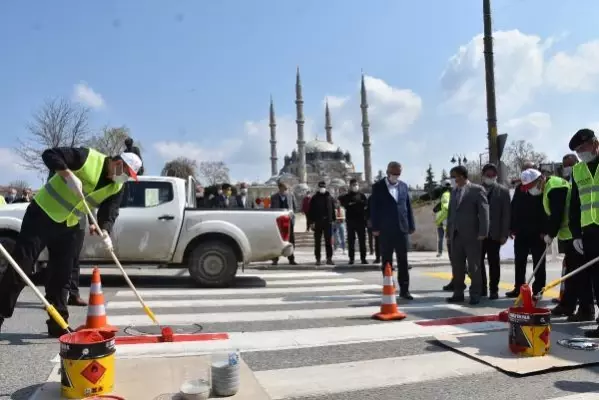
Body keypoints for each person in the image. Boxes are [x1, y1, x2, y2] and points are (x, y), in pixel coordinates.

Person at [0, 147, 141, 337]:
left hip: (70, 224)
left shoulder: (117, 186)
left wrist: (104, 229)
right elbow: (50, 154)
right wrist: (67, 174)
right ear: (117, 163)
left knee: (62, 275)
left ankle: (58, 324)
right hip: (42, 214)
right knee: (21, 267)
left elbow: (110, 209)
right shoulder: (87, 158)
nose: (126, 178)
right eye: (126, 173)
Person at [520, 168, 590, 321]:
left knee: (579, 274)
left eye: (531, 186)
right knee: (570, 274)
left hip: (576, 235)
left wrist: (550, 234)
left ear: (540, 180)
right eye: (527, 188)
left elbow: (557, 213)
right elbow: (550, 215)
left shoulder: (555, 187)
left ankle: (586, 309)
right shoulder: (548, 189)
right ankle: (568, 305)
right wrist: (547, 232)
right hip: (569, 235)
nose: (530, 191)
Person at [568, 129, 599, 337]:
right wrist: (576, 234)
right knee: (597, 279)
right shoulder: (578, 170)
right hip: (590, 231)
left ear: (595, 143)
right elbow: (574, 204)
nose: (581, 153)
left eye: (583, 148)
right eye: (578, 151)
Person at [370, 162, 415, 300]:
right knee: (387, 260)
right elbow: (374, 208)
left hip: (402, 229)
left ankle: (405, 289)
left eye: (398, 173)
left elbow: (407, 207)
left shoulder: (403, 186)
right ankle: (388, 285)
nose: (396, 176)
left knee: (403, 261)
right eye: (394, 173)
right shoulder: (378, 187)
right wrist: (375, 227)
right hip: (385, 229)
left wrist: (411, 225)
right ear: (388, 171)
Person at [445, 165, 489, 305]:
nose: (453, 180)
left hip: (473, 235)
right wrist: (448, 231)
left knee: (473, 266)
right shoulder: (453, 191)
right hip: (456, 235)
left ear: (462, 176)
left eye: (454, 176)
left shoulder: (477, 190)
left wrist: (483, 231)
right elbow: (451, 213)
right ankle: (458, 292)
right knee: (457, 266)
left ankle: (475, 293)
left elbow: (484, 212)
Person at [506, 161, 548, 298]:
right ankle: (519, 288)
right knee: (519, 262)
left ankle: (538, 290)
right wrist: (511, 227)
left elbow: (546, 210)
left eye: (530, 169)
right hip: (521, 231)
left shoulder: (542, 187)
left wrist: (545, 230)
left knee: (539, 263)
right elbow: (514, 208)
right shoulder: (519, 189)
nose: (527, 172)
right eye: (524, 169)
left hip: (538, 232)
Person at [479, 163, 511, 300]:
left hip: (495, 234)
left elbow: (506, 214)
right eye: (488, 175)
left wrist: (504, 234)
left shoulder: (503, 191)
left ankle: (494, 290)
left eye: (493, 175)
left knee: (494, 263)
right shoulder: (476, 190)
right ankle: (481, 288)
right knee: (478, 263)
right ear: (483, 175)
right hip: (479, 234)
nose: (490, 177)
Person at [338, 179, 368, 264]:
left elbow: (366, 206)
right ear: (350, 186)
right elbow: (342, 202)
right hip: (350, 221)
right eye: (353, 185)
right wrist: (352, 204)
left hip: (361, 221)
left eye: (356, 184)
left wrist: (353, 204)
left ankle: (363, 258)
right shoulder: (347, 196)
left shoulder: (362, 195)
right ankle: (351, 258)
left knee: (362, 240)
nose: (355, 186)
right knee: (351, 241)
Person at [270, 181, 298, 265]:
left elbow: (294, 207)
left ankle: (291, 258)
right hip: (278, 222)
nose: (286, 190)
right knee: (277, 239)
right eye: (284, 188)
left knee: (291, 240)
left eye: (287, 189)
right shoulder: (274, 197)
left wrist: (292, 214)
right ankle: (275, 259)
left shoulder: (290, 196)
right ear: (280, 188)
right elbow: (272, 209)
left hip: (289, 221)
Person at [308, 181, 336, 266]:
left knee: (328, 242)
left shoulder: (329, 197)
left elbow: (333, 210)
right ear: (318, 187)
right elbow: (311, 211)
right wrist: (311, 222)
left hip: (328, 222)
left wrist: (333, 220)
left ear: (325, 187)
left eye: (323, 186)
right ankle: (318, 259)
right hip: (318, 222)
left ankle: (329, 258)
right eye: (321, 187)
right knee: (317, 242)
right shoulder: (315, 198)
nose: (322, 188)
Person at [435, 180, 451, 258]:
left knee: (443, 237)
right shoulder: (450, 194)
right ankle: (445, 252)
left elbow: (445, 207)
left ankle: (441, 252)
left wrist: (439, 219)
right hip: (445, 219)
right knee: (447, 237)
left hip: (442, 219)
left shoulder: (444, 194)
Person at [366, 194, 380, 263]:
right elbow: (368, 209)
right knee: (375, 239)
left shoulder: (385, 195)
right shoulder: (371, 198)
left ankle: (383, 257)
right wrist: (368, 220)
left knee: (382, 241)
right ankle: (377, 257)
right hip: (373, 221)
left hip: (383, 222)